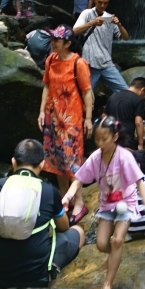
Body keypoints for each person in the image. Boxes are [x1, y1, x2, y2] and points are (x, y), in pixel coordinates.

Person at [0, 138, 85, 288]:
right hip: (36, 276)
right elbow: (63, 227)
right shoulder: (49, 191)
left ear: (13, 162)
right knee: (79, 232)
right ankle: (52, 270)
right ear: (42, 164)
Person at [61, 117, 145, 289]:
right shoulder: (95, 158)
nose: (100, 143)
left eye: (104, 139)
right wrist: (68, 196)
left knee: (118, 240)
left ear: (114, 137)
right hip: (107, 206)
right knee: (101, 244)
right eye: (97, 139)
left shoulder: (125, 156)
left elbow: (139, 181)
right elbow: (79, 179)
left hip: (126, 203)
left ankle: (107, 285)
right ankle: (115, 255)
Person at [39, 30, 95, 222]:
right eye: (52, 39)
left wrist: (88, 119)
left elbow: (87, 92)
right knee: (55, 160)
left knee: (72, 161)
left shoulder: (78, 63)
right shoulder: (51, 60)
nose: (53, 43)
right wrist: (41, 113)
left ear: (68, 43)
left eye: (57, 40)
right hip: (52, 117)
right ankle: (65, 200)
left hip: (71, 120)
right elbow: (46, 86)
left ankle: (79, 202)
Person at [72, 0, 130, 94]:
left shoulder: (109, 18)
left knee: (125, 92)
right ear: (94, 0)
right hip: (90, 63)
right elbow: (74, 32)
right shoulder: (87, 14)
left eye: (105, 3)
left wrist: (119, 24)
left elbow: (125, 38)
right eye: (100, 2)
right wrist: (91, 23)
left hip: (107, 64)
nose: (102, 5)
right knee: (85, 97)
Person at [106, 77, 145, 152]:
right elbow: (138, 122)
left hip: (111, 137)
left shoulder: (113, 96)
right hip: (126, 139)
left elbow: (104, 117)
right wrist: (140, 144)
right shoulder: (138, 100)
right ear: (142, 90)